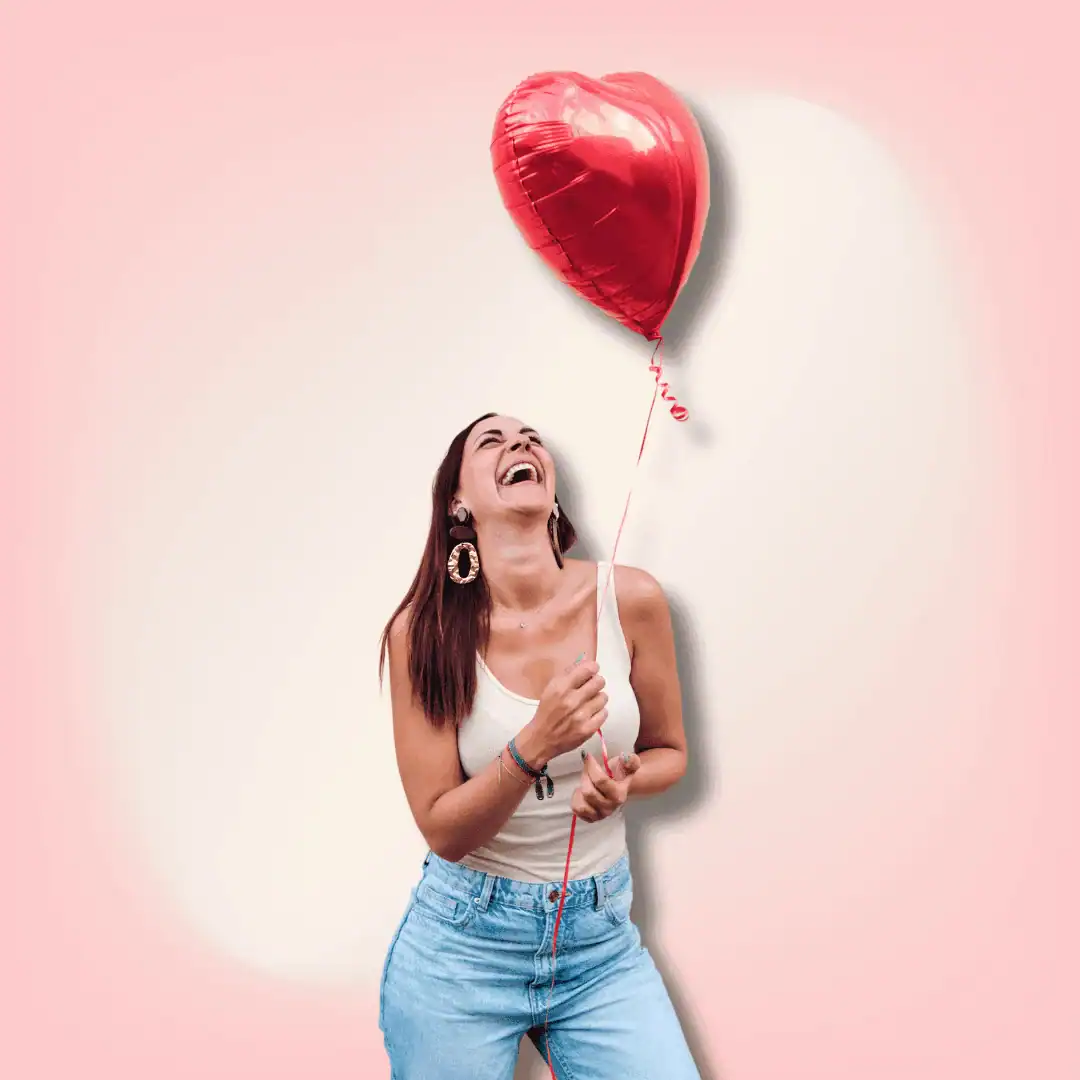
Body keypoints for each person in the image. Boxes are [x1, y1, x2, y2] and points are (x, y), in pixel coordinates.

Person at [377, 412, 700, 1079]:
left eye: (530, 438)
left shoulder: (631, 598)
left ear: (551, 489)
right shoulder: (425, 633)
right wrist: (535, 743)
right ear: (457, 503)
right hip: (463, 951)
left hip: (600, 946)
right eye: (490, 441)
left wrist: (625, 783)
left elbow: (671, 751)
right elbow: (443, 828)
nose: (520, 443)